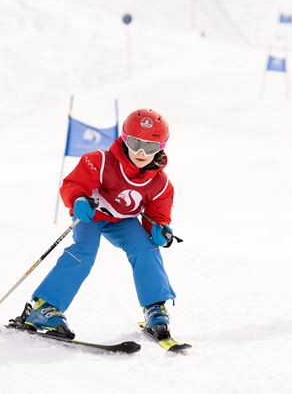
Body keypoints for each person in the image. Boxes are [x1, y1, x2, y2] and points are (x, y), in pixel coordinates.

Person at [18, 108, 178, 340]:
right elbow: (73, 184)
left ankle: (154, 307)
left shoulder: (160, 183)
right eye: (135, 143)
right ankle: (44, 308)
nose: (141, 152)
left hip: (123, 221)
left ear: (161, 148)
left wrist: (159, 229)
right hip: (92, 216)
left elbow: (157, 215)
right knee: (84, 252)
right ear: (124, 139)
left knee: (145, 248)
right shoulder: (101, 161)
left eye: (150, 147)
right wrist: (78, 199)